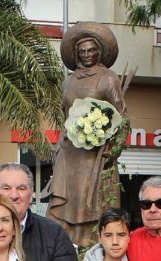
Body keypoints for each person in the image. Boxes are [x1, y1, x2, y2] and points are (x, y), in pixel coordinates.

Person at [47, 22, 127, 247]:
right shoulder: (69, 80)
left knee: (90, 204)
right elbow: (65, 115)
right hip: (70, 152)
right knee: (65, 202)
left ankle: (88, 246)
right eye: (81, 52)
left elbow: (122, 116)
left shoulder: (108, 78)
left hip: (95, 156)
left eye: (91, 50)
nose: (86, 55)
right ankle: (64, 246)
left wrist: (112, 148)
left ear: (99, 52)